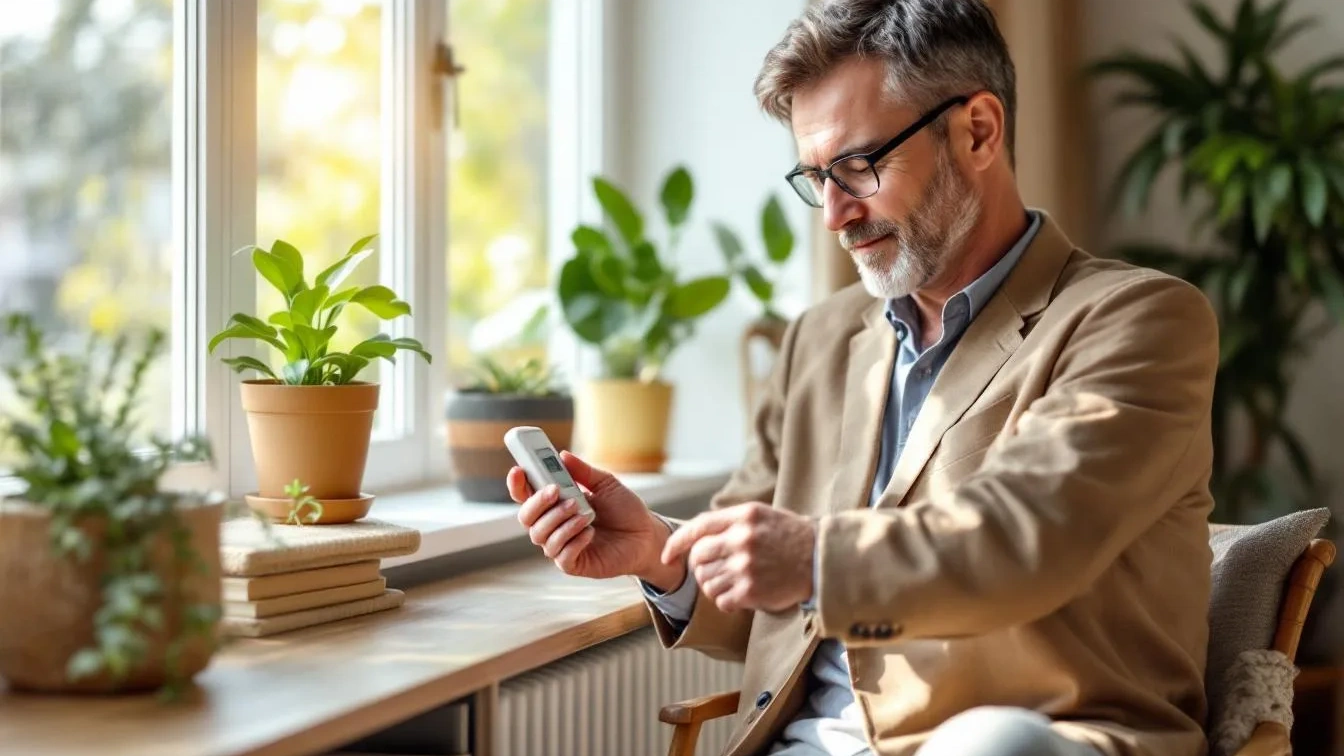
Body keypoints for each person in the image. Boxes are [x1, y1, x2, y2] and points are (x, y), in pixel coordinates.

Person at [508, 1, 1219, 754]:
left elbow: (1026, 541)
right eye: (816, 177)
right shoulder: (821, 338)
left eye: (858, 166)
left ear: (978, 130)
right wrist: (658, 551)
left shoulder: (1139, 320)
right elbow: (768, 599)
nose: (834, 215)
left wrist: (810, 559)